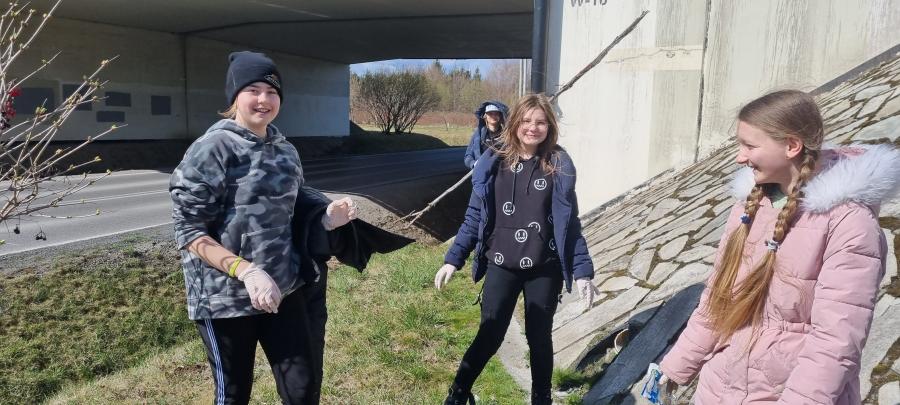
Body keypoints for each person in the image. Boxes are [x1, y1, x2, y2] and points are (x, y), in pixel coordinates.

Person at [656, 90, 899, 404]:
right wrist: (677, 365)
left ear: (792, 146)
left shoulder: (849, 224)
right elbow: (717, 301)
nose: (740, 157)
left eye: (749, 146)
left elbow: (835, 342)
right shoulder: (748, 207)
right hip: (719, 389)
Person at [169, 51, 356, 405]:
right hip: (224, 299)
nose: (263, 100)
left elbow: (295, 206)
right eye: (253, 90)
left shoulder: (286, 150)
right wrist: (246, 271)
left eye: (272, 92)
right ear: (234, 97)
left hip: (283, 289)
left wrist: (325, 216)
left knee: (303, 389)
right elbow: (189, 231)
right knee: (234, 395)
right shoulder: (211, 149)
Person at [435, 93, 600, 405]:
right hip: (501, 263)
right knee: (490, 332)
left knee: (539, 338)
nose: (532, 128)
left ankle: (541, 399)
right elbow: (474, 216)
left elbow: (570, 224)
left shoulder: (558, 165)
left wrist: (582, 271)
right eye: (526, 121)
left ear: (550, 127)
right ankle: (458, 394)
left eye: (540, 122)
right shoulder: (493, 162)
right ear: (514, 123)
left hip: (544, 267)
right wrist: (453, 259)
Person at [464, 101, 509, 169]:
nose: (493, 116)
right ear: (486, 116)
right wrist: (474, 164)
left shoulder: (506, 135)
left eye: (496, 113)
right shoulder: (478, 135)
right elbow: (468, 156)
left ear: (500, 116)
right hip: (482, 172)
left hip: (501, 172)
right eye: (490, 114)